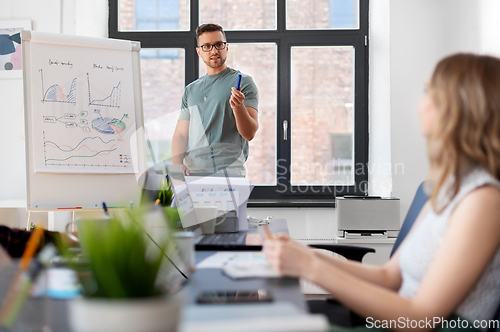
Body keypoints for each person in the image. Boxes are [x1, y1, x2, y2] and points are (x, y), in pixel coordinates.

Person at [264, 53, 500, 331]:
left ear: (458, 107)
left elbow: (420, 319)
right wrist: (306, 255)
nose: (420, 104)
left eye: (428, 92)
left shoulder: (484, 200)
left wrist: (309, 268)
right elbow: (389, 276)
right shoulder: (448, 187)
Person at [171, 23, 259, 177]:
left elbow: (249, 133)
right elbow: (180, 134)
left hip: (228, 172)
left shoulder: (243, 82)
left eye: (218, 44)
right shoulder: (191, 90)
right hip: (193, 173)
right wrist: (177, 163)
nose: (214, 50)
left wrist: (238, 107)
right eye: (207, 46)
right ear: (199, 51)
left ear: (226, 47)